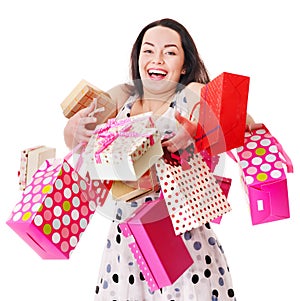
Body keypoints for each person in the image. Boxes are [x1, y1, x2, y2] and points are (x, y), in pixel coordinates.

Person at [64, 18, 255, 301]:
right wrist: (73, 129)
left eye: (169, 52)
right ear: (138, 58)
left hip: (179, 236)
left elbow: (243, 121)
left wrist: (198, 129)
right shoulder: (122, 98)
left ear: (185, 65)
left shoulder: (189, 93)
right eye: (148, 50)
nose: (157, 59)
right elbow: (74, 142)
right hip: (126, 241)